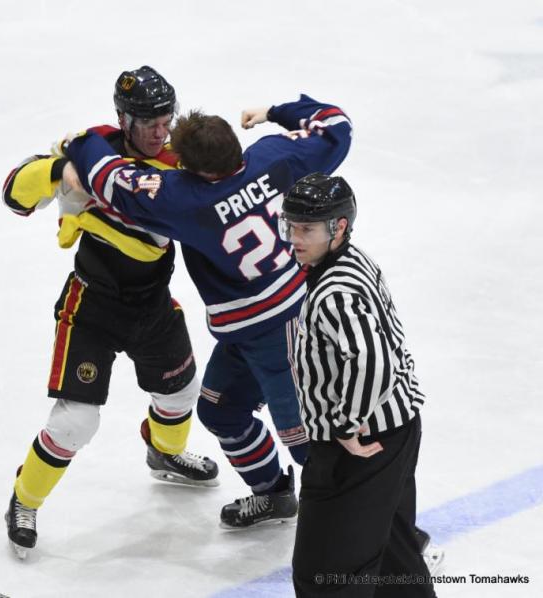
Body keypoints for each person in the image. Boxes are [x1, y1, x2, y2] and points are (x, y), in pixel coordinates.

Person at [61, 93, 352, 528]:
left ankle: (393, 536)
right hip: (251, 331)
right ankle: (273, 494)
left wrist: (80, 142)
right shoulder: (273, 156)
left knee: (308, 443)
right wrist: (274, 112)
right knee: (221, 411)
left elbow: (110, 179)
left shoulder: (186, 199)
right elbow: (336, 124)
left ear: (193, 171)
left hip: (282, 335)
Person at [1, 66, 218, 559]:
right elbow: (13, 193)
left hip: (152, 304)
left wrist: (86, 214)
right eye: (149, 123)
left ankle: (163, 453)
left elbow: (155, 242)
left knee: (181, 390)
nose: (161, 130)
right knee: (76, 422)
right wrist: (57, 173)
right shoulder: (90, 147)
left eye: (167, 118)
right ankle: (24, 499)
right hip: (92, 305)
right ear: (123, 119)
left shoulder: (181, 161)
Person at [281, 173, 437, 597]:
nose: (295, 238)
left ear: (340, 228)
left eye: (307, 229)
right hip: (397, 427)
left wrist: (347, 425)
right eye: (290, 226)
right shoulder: (350, 260)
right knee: (392, 556)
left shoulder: (335, 292)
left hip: (363, 444)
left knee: (325, 572)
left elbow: (373, 361)